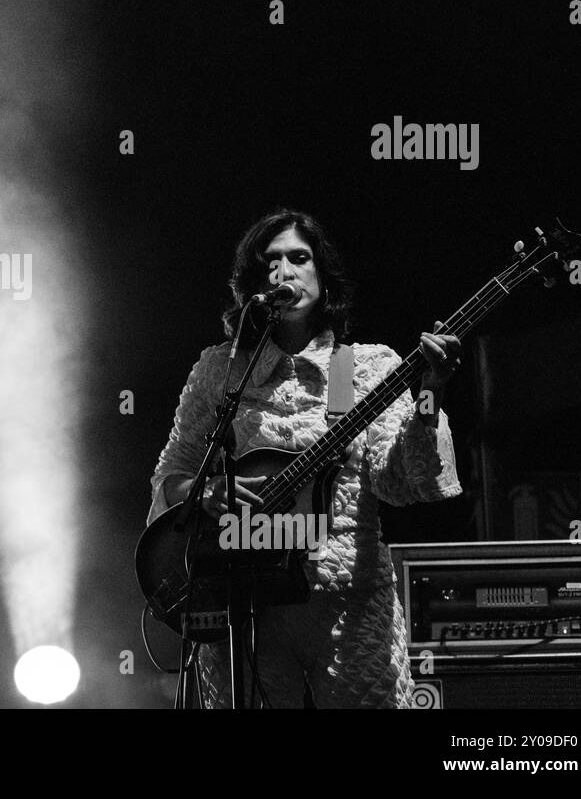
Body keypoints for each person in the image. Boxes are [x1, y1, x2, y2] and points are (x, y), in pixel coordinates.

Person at [148, 209, 461, 708]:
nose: (284, 271)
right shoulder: (219, 370)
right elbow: (171, 475)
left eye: (299, 258)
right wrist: (206, 494)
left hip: (350, 609)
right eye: (270, 262)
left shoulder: (359, 368)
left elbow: (404, 483)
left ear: (322, 274)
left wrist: (431, 395)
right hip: (248, 607)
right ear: (252, 282)